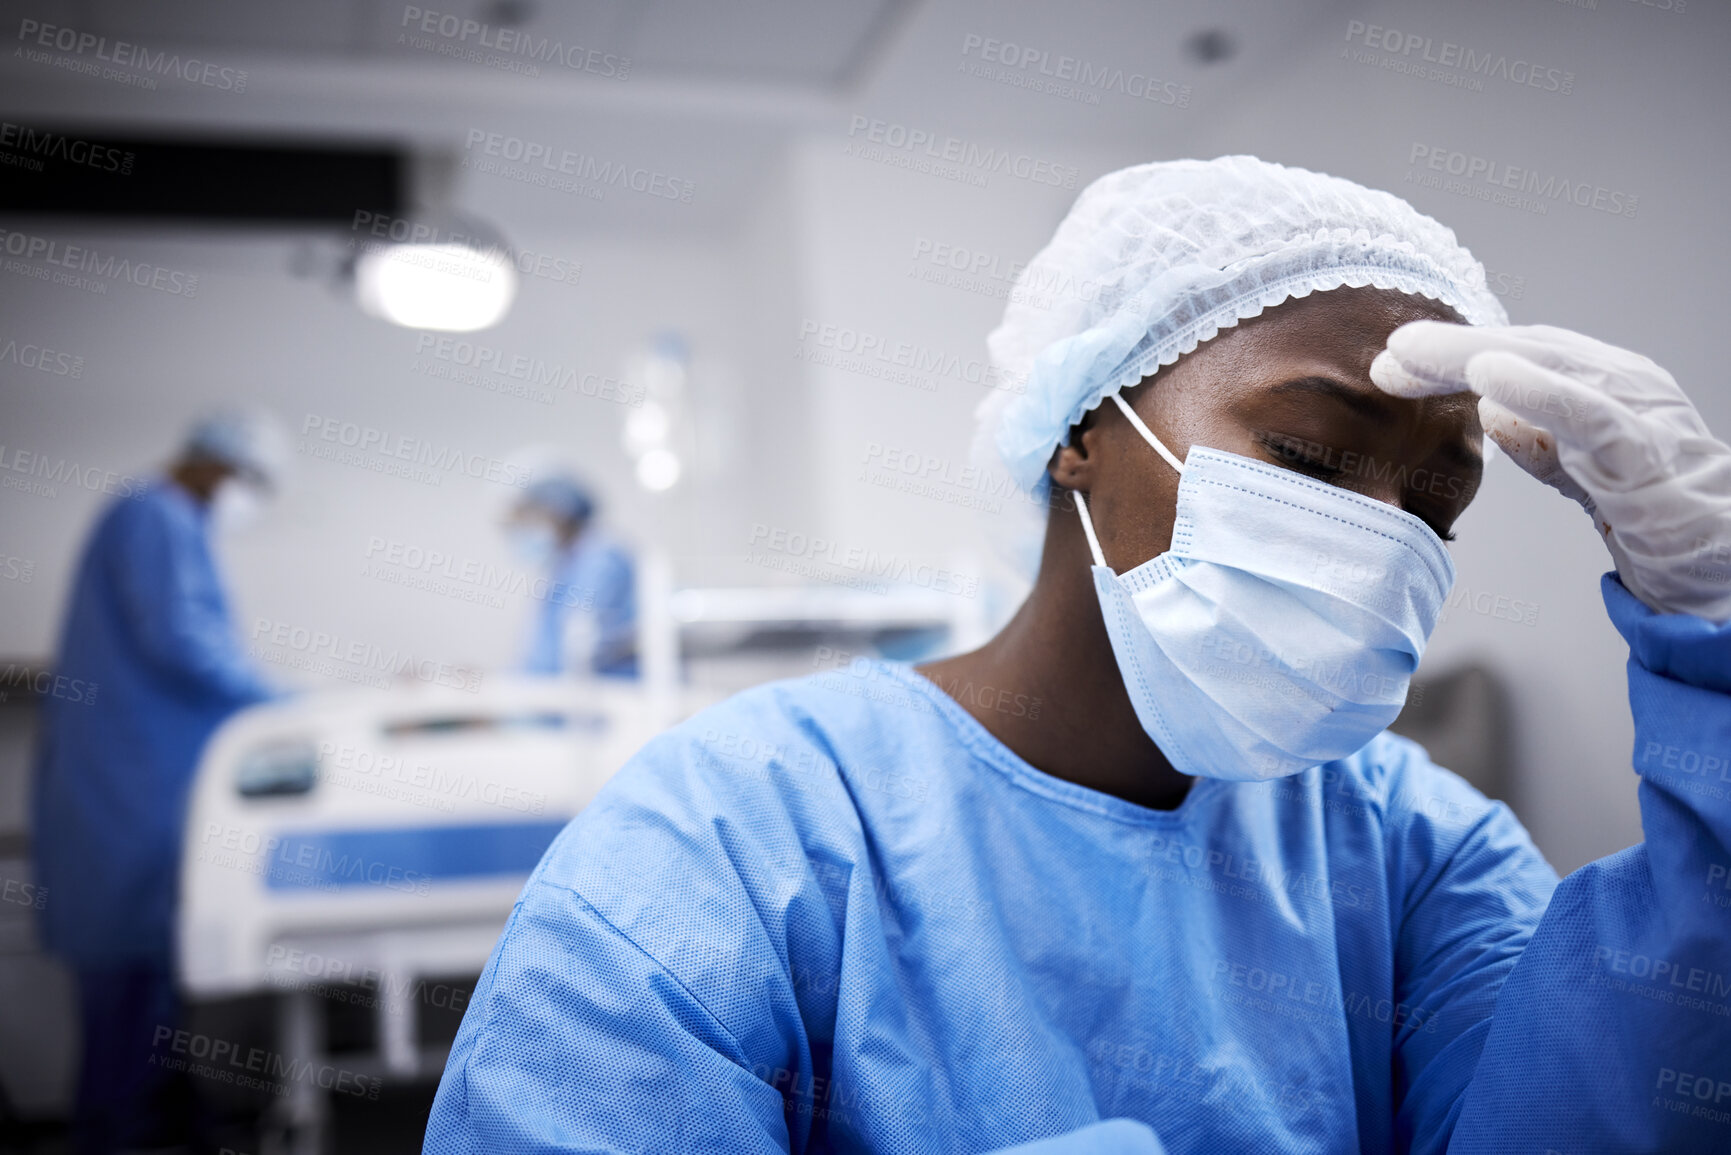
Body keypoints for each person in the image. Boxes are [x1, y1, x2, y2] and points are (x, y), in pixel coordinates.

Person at [422, 158, 1731, 1153]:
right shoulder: (729, 837)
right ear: (1077, 426)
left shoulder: (1407, 852)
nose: (1375, 540)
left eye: (1434, 504)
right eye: (1309, 456)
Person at [32, 410, 284, 1155]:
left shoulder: (160, 520)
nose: (245, 496)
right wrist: (287, 700)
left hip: (137, 787)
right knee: (126, 1003)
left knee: (152, 1001)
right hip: (124, 795)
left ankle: (163, 1129)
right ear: (212, 463)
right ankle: (120, 1137)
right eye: (249, 479)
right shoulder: (156, 513)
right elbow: (185, 644)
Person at [509, 473, 638, 679]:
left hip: (618, 700)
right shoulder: (565, 566)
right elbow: (541, 657)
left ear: (557, 509)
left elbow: (576, 650)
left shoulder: (602, 560)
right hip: (570, 701)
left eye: (524, 518)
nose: (520, 530)